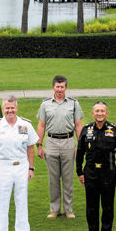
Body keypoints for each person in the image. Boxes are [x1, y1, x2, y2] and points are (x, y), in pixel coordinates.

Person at [0, 97, 38, 231]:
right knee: (2, 203)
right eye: (7, 108)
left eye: (12, 108)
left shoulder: (25, 125)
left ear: (17, 108)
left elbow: (30, 148)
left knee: (22, 202)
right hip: (2, 167)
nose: (10, 111)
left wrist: (31, 168)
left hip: (21, 166)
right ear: (3, 108)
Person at [76, 102, 116, 231]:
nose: (100, 113)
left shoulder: (114, 129)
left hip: (108, 173)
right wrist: (79, 172)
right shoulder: (86, 130)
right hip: (90, 173)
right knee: (91, 206)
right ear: (92, 113)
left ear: (107, 113)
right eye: (97, 111)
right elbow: (80, 153)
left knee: (108, 206)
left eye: (102, 111)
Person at [36, 75, 83, 220]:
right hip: (51, 142)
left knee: (68, 178)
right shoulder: (45, 104)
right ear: (53, 87)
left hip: (68, 142)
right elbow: (41, 125)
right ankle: (55, 209)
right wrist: (39, 145)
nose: (60, 89)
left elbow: (78, 125)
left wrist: (79, 146)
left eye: (62, 87)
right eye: (57, 86)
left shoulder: (74, 103)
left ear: (66, 88)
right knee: (53, 178)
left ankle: (68, 209)